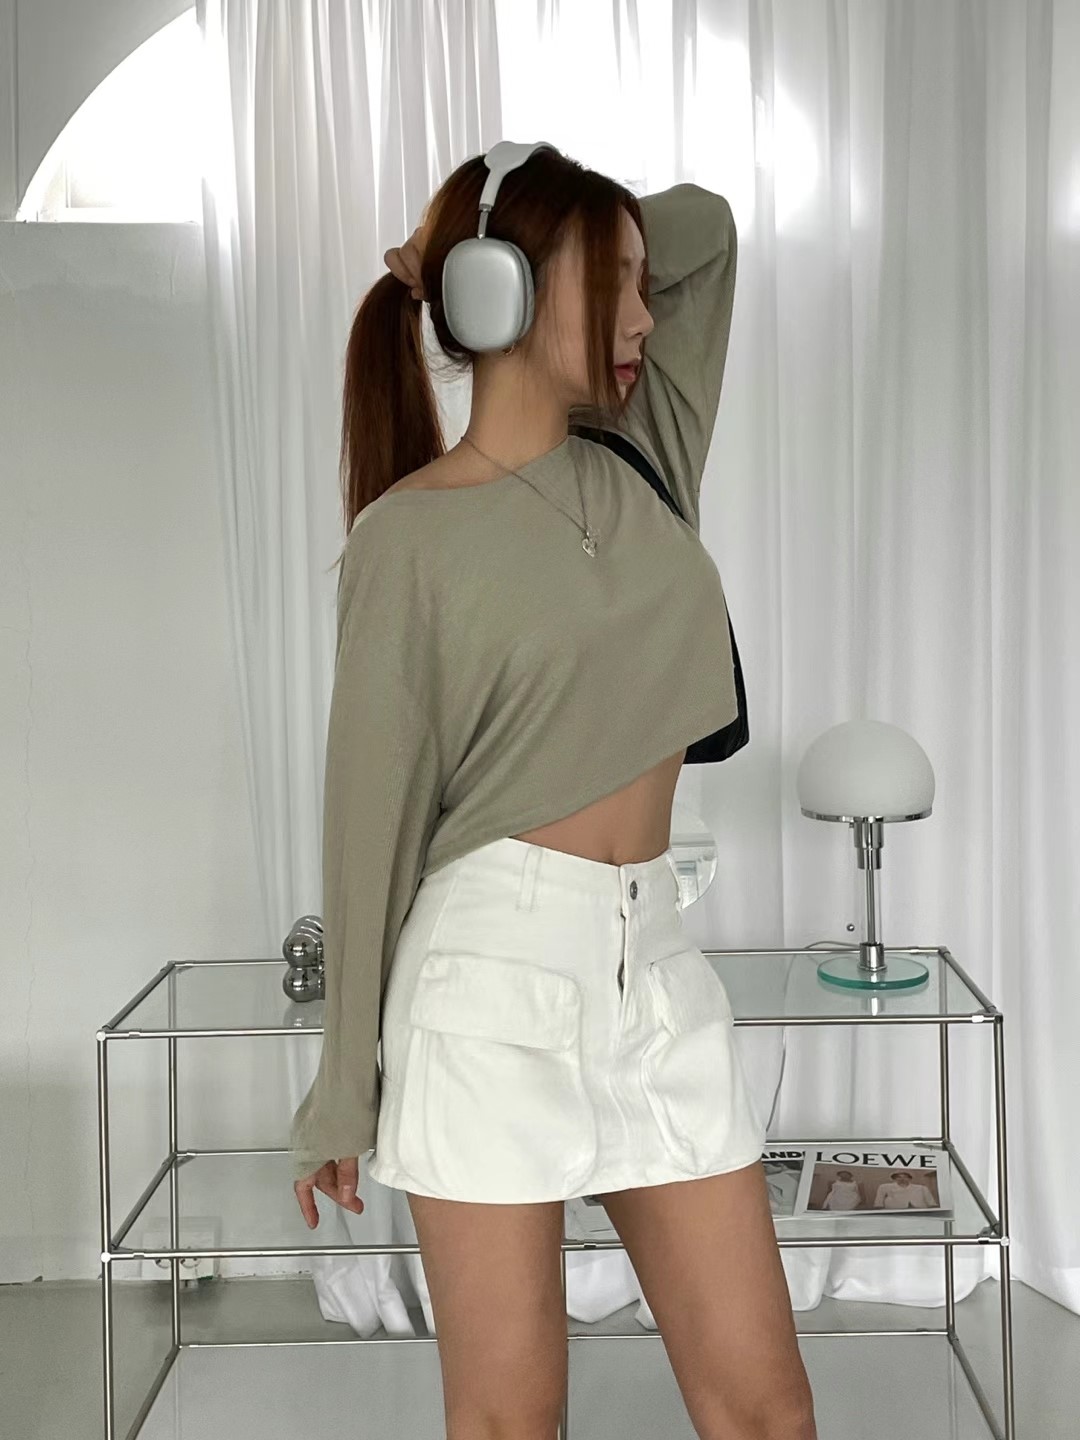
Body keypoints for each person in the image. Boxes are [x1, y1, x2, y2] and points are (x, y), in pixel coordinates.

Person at [291, 143, 817, 1440]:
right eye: (613, 283)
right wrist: (343, 1080)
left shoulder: (647, 452)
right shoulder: (407, 538)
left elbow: (710, 229)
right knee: (511, 1424)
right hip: (487, 984)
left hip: (658, 969)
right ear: (511, 293)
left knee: (767, 1413)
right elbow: (369, 821)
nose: (645, 315)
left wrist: (502, 245)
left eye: (641, 282)